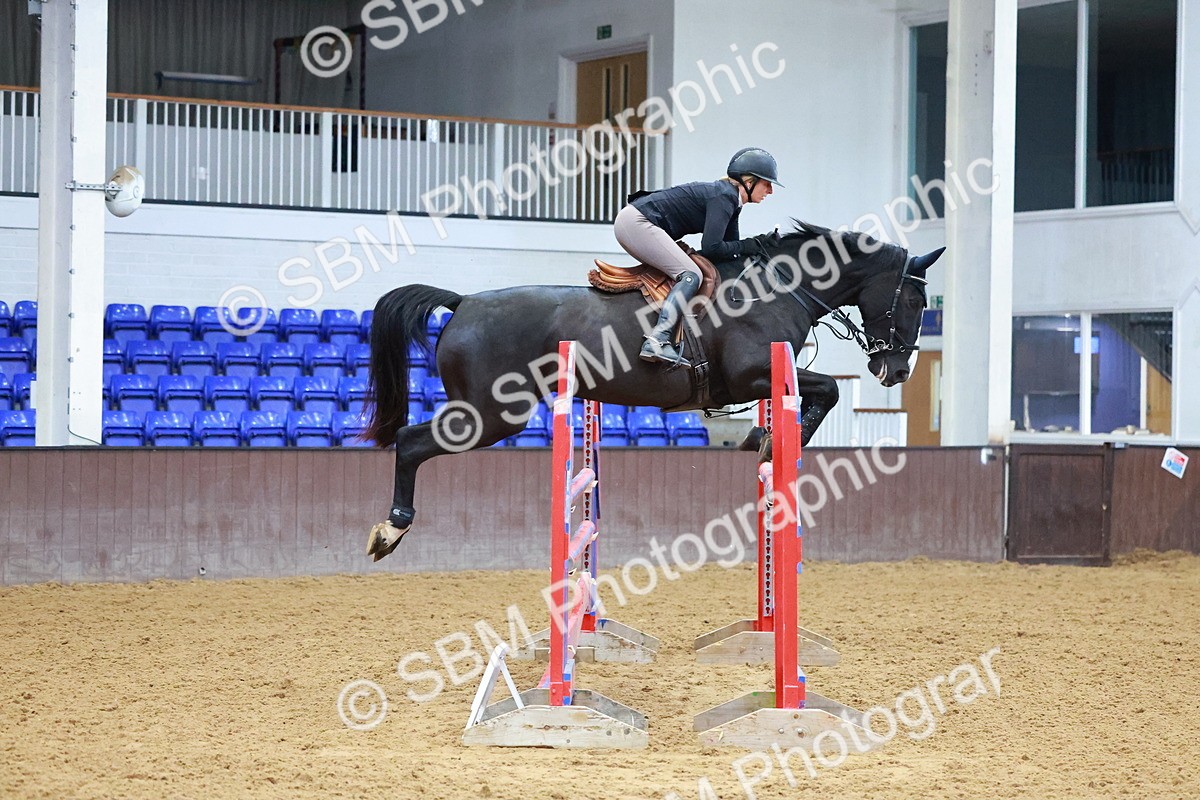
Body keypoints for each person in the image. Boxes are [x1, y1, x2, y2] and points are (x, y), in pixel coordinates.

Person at [613, 147, 783, 367]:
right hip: (637, 223)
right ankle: (658, 339)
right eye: (766, 183)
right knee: (691, 274)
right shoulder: (724, 197)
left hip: (640, 221)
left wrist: (761, 245)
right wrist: (751, 244)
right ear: (749, 182)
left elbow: (729, 253)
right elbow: (713, 247)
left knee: (693, 270)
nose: (770, 191)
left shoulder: (731, 202)